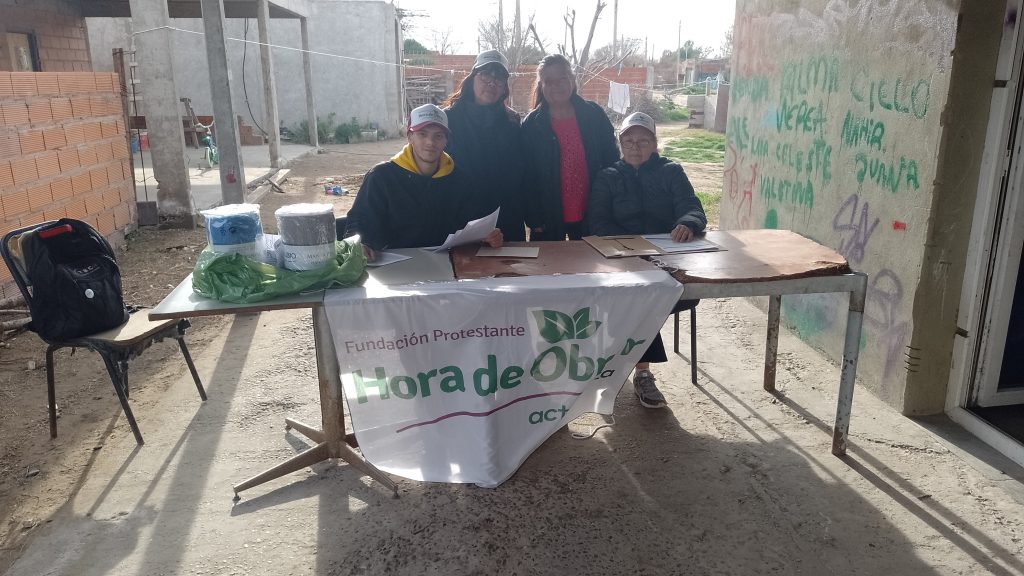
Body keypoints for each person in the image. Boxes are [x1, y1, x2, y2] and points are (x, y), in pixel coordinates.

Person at [588, 112, 706, 409]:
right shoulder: (608, 176)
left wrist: (688, 223)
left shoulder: (671, 171)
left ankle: (635, 371)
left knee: (646, 296)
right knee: (634, 295)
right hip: (622, 258)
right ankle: (639, 371)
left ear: (655, 143)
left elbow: (691, 207)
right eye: (629, 141)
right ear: (620, 144)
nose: (635, 147)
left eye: (643, 141)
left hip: (665, 260)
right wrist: (631, 245)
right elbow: (598, 222)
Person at [345, 104, 503, 261]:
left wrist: (487, 237)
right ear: (410, 137)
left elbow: (473, 225)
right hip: (393, 267)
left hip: (447, 266)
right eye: (422, 134)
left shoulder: (461, 180)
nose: (430, 142)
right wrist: (359, 243)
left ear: (446, 140)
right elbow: (359, 222)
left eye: (438, 136)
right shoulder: (381, 177)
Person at [521, 54, 619, 241]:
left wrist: (610, 205)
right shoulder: (532, 125)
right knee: (549, 261)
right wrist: (534, 217)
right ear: (541, 86)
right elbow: (527, 175)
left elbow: (611, 161)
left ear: (573, 80)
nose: (556, 86)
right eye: (549, 81)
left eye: (562, 79)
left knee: (592, 260)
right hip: (547, 217)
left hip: (593, 213)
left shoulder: (594, 115)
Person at [442, 50, 528, 241]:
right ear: (472, 78)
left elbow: (520, 169)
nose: (492, 83)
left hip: (506, 219)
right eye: (485, 75)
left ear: (505, 86)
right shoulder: (448, 119)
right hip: (462, 220)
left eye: (499, 78)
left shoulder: (512, 121)